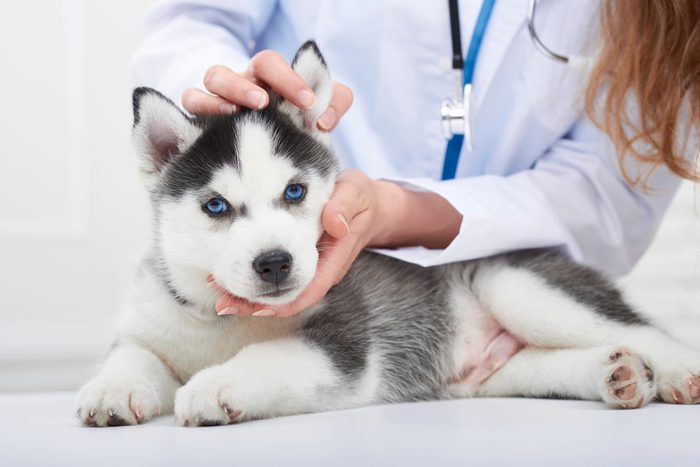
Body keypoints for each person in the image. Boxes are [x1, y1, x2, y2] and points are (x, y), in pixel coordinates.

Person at [131, 0, 699, 318]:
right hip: (309, 306)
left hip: (507, 308)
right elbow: (192, 20)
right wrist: (219, 96)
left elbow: (606, 196)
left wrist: (400, 211)